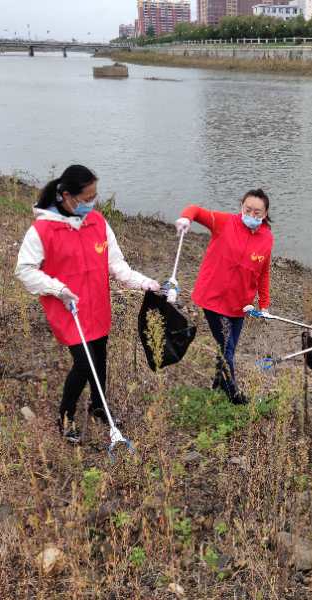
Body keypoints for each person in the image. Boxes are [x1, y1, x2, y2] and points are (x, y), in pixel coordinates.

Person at [15, 165, 161, 443]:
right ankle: (66, 418)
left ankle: (98, 406)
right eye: (87, 198)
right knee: (84, 363)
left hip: (97, 306)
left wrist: (145, 283)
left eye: (95, 196)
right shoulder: (43, 229)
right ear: (67, 197)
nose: (92, 203)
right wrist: (57, 288)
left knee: (100, 358)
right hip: (68, 308)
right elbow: (25, 270)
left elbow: (116, 264)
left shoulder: (98, 222)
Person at [175, 189, 273, 404]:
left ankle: (218, 383)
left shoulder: (267, 238)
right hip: (213, 298)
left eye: (257, 212)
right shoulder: (224, 222)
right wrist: (186, 218)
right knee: (226, 346)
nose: (252, 215)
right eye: (248, 210)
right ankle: (233, 394)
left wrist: (264, 304)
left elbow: (263, 273)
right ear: (241, 207)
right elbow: (195, 210)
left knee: (227, 347)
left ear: (265, 214)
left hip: (240, 304)